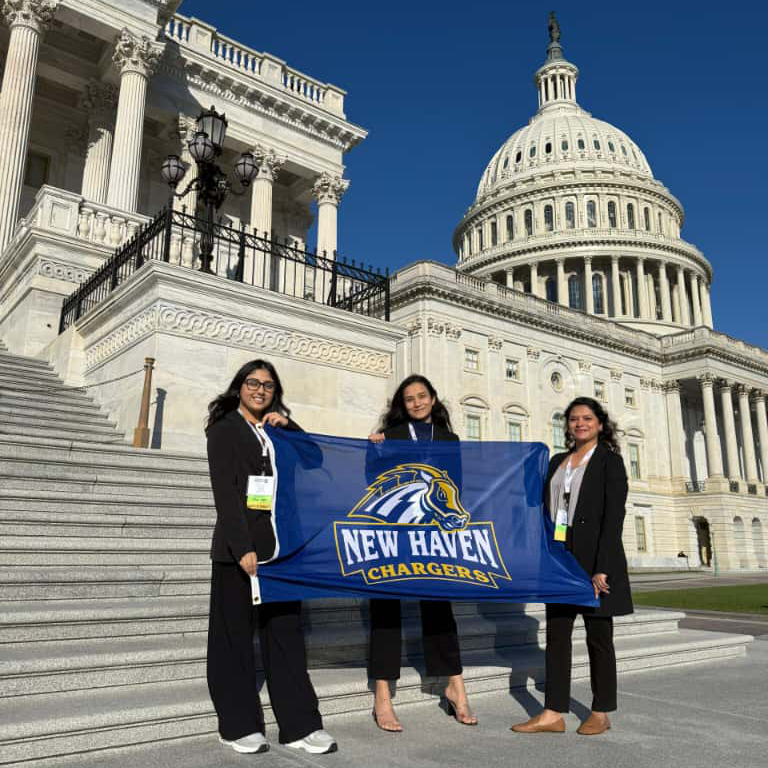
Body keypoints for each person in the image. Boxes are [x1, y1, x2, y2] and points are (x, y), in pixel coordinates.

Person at [205, 359, 337, 755]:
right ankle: (237, 723)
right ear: (239, 387)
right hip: (238, 552)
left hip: (282, 549)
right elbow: (225, 494)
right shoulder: (224, 430)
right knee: (234, 641)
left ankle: (300, 724)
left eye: (267, 384)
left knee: (286, 637)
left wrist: (290, 427)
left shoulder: (279, 430)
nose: (259, 390)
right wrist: (242, 545)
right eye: (252, 383)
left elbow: (315, 458)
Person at [511, 396, 632, 736]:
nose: (580, 423)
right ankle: (553, 712)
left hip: (593, 562)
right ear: (567, 425)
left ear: (599, 424)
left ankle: (601, 710)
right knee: (557, 637)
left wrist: (602, 567)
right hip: (559, 559)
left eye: (587, 418)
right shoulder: (557, 461)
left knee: (598, 638)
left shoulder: (610, 462)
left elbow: (614, 518)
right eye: (574, 419)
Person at [366, 374, 477, 731]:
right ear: (403, 404)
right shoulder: (393, 436)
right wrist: (374, 450)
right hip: (396, 534)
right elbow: (373, 482)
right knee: (386, 608)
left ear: (433, 398)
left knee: (439, 609)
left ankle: (455, 686)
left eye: (422, 396)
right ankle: (382, 695)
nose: (416, 402)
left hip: (434, 536)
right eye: (409, 398)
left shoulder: (450, 440)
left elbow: (456, 487)